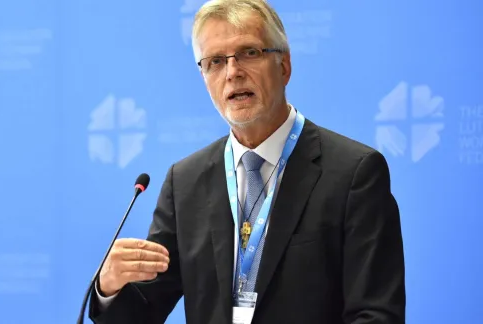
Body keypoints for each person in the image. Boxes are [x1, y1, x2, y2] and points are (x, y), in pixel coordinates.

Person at [89, 0, 406, 323]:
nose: (232, 73)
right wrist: (109, 287)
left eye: (249, 53)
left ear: (284, 66)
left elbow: (376, 314)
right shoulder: (184, 182)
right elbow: (144, 311)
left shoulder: (354, 173)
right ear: (204, 76)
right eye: (215, 61)